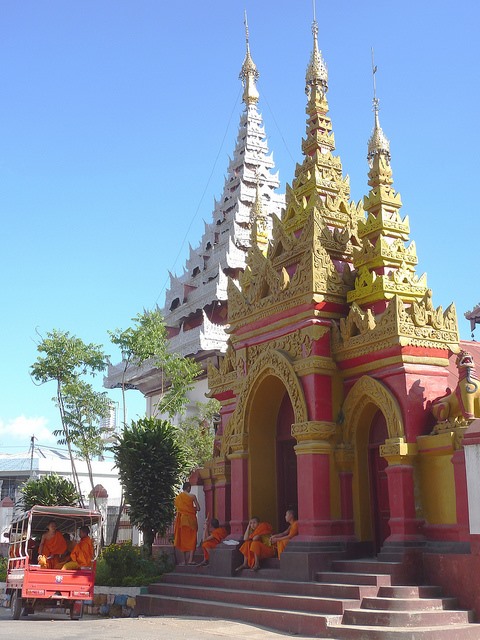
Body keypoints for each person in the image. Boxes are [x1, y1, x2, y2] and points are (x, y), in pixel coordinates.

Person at [174, 481, 200, 565]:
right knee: (192, 539)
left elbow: (179, 510)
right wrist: (192, 509)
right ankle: (190, 560)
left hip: (183, 521)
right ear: (188, 487)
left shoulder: (178, 497)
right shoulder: (192, 496)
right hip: (191, 521)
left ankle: (184, 561)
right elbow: (198, 508)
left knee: (184, 540)